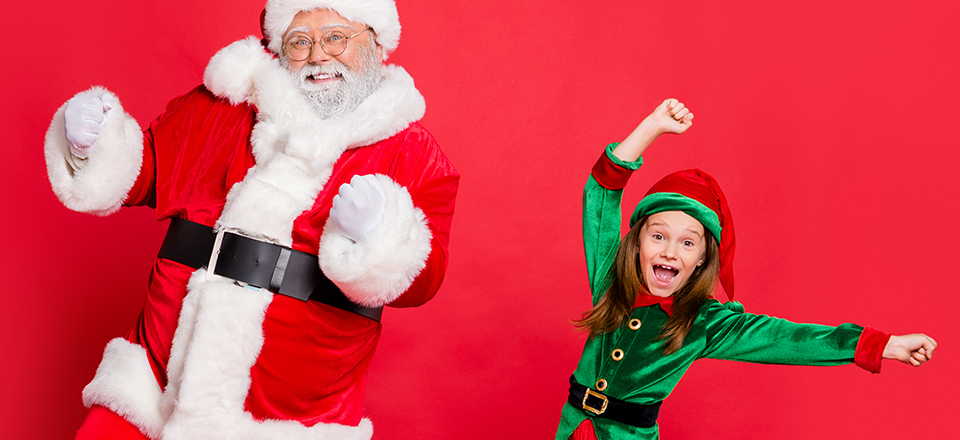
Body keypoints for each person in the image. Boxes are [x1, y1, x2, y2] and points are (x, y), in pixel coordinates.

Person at [43, 0, 458, 439]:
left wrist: (383, 236)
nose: (318, 55)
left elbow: (424, 278)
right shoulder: (224, 108)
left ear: (375, 43)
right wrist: (95, 144)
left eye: (336, 38)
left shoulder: (414, 153)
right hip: (155, 376)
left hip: (289, 413)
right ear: (278, 48)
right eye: (300, 41)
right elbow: (146, 171)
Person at [555, 99, 936, 440]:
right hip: (572, 428)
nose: (670, 252)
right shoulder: (611, 281)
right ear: (637, 242)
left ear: (702, 258)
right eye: (658, 236)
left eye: (687, 242)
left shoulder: (705, 322)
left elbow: (787, 339)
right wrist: (651, 127)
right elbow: (601, 196)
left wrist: (883, 345)